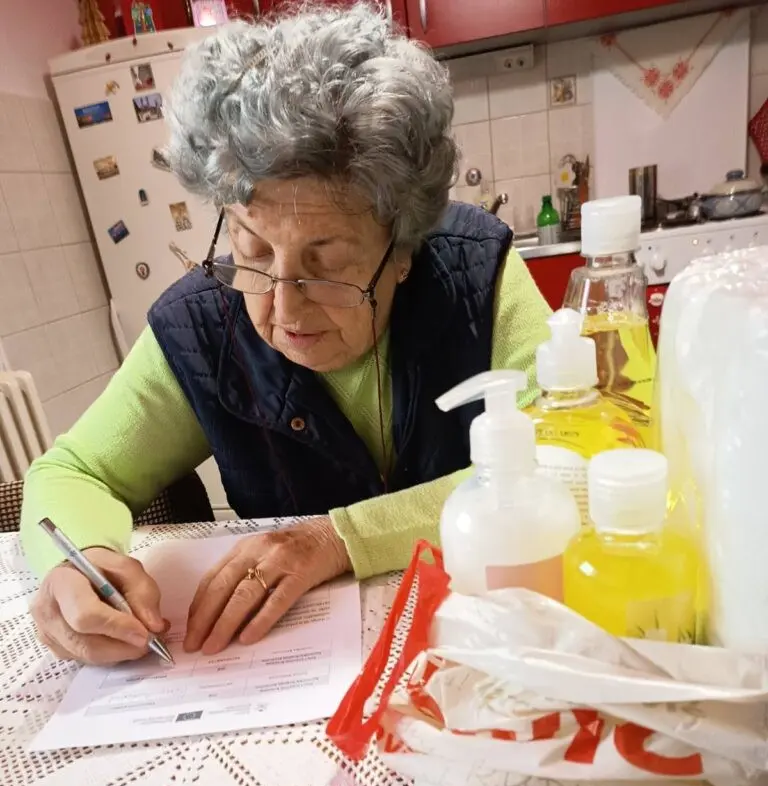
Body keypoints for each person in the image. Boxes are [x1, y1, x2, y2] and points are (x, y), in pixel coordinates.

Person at [22, 2, 551, 666]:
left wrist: (339, 539)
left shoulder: (476, 272)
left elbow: (578, 457)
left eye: (327, 264)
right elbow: (71, 471)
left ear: (404, 247)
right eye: (251, 250)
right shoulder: (200, 327)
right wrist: (80, 562)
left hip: (490, 641)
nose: (283, 306)